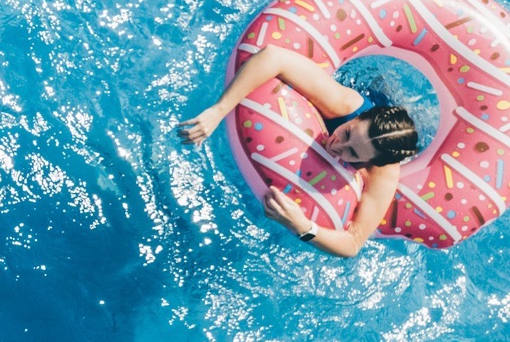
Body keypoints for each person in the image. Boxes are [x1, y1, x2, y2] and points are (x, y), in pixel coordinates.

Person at [179, 46, 421, 257]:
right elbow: (274, 57)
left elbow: (353, 243)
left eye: (353, 155)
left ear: (370, 162)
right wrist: (219, 110)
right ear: (357, 120)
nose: (337, 146)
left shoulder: (384, 173)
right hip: (374, 98)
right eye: (346, 134)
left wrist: (303, 227)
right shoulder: (343, 105)